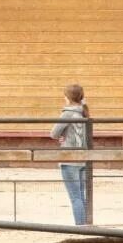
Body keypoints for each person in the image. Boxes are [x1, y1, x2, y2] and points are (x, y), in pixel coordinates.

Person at [50, 84, 89, 225]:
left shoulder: (67, 113)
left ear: (67, 97)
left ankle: (80, 227)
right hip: (83, 158)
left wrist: (63, 137)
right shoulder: (83, 112)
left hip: (69, 158)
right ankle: (85, 225)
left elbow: (53, 133)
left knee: (75, 197)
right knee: (81, 195)